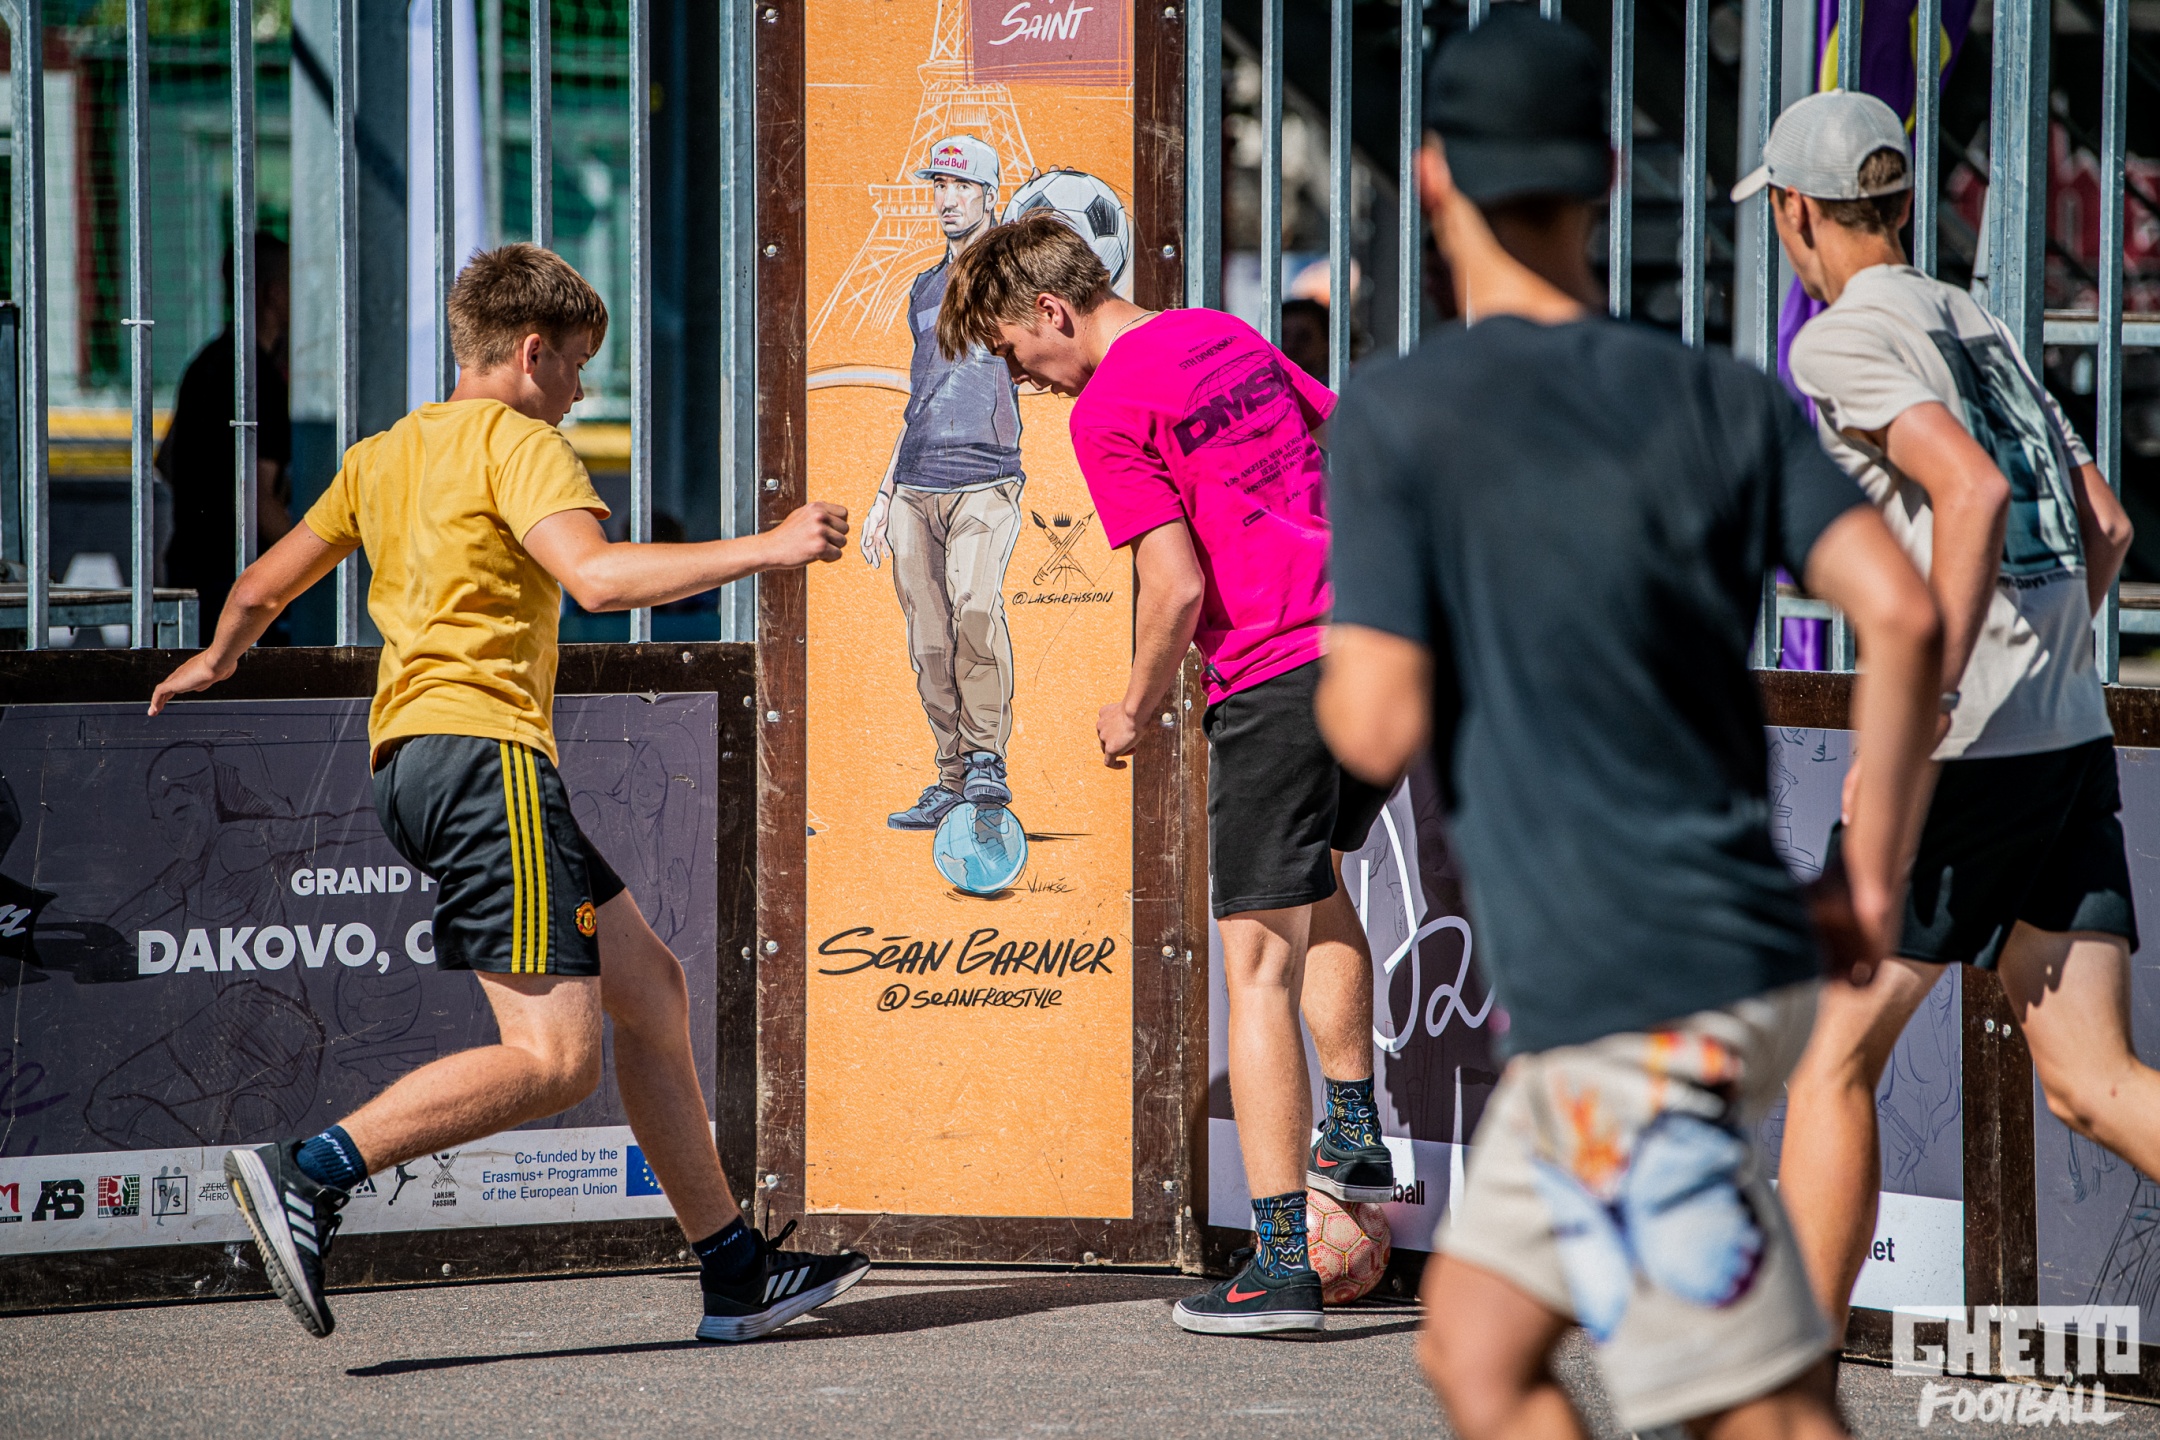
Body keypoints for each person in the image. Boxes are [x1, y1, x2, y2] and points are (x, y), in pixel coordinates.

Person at [1315, 14, 1945, 1436]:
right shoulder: (1721, 396)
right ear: (1606, 172)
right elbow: (1903, 615)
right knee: (1476, 1351)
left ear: (1433, 175)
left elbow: (1373, 721)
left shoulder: (1404, 416)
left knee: (1762, 1415)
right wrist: (1868, 878)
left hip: (1630, 986)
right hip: (1703, 961)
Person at [148, 244, 869, 1344]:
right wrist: (769, 547)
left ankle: (735, 1272)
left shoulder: (383, 454)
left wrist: (218, 658)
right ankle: (311, 1170)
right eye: (576, 366)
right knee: (554, 1060)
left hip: (413, 766)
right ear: (531, 353)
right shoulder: (520, 443)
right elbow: (597, 579)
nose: (578, 393)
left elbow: (259, 585)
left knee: (652, 991)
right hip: (488, 762)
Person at [937, 209, 1397, 1336]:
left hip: (1278, 676)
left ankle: (1280, 1269)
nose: (1024, 380)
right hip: (1377, 650)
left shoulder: (1108, 408)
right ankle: (1354, 1132)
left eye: (1014, 353)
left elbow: (1177, 586)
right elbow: (1348, 441)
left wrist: (1134, 708)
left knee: (1256, 968)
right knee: (1319, 881)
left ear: (1052, 311)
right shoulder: (1220, 332)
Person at [1757, 91, 2149, 1342]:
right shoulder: (1973, 317)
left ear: (1796, 211)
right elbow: (2104, 524)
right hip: (2064, 732)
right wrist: (2042, 665)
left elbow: (1968, 491)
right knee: (2093, 1083)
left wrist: (1927, 702)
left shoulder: (1837, 342)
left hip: (1965, 747)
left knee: (1830, 1058)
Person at [860, 135, 1026, 829]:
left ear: (989, 194)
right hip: (916, 483)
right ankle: (952, 776)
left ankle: (987, 759)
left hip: (985, 477)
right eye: (939, 186)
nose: (947, 199)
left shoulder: (1015, 280)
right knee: (928, 639)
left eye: (962, 186)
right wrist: (883, 495)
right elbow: (919, 398)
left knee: (976, 612)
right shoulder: (925, 289)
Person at [157, 232, 295, 632]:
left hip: (190, 569)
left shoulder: (206, 362)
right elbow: (258, 500)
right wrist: (319, 559)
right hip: (237, 578)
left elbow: (166, 460)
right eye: (295, 285)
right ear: (273, 294)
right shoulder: (258, 377)